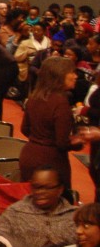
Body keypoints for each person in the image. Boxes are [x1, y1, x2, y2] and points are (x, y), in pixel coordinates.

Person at [19, 56, 81, 189]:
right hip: (51, 163)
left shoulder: (34, 97)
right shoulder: (60, 102)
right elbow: (62, 143)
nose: (75, 76)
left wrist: (40, 138)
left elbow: (24, 129)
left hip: (29, 156)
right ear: (60, 75)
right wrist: (80, 141)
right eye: (72, 72)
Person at [0, 166, 78, 247]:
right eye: (36, 187)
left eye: (48, 188)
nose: (40, 192)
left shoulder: (75, 216)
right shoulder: (14, 213)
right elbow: (0, 245)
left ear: (60, 189)